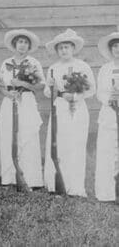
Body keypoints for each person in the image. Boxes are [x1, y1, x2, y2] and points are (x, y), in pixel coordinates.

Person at [44, 29, 95, 197]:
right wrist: (50, 86)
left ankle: (75, 187)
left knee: (76, 144)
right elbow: (46, 93)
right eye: (60, 48)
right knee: (59, 143)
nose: (64, 51)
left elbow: (91, 89)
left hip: (78, 107)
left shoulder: (82, 66)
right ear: (57, 51)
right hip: (59, 107)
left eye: (67, 47)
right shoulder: (53, 68)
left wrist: (74, 96)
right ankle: (56, 185)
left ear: (73, 48)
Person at [0, 29, 44, 189]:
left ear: (29, 46)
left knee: (28, 135)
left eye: (25, 42)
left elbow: (40, 85)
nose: (22, 45)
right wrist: (7, 93)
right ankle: (10, 178)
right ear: (14, 44)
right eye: (20, 42)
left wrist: (23, 84)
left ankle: (31, 178)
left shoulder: (33, 63)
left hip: (26, 100)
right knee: (9, 136)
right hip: (9, 100)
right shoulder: (6, 63)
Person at [95, 32, 119, 202]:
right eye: (115, 47)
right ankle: (107, 192)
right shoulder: (105, 68)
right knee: (107, 151)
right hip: (109, 113)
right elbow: (99, 92)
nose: (118, 50)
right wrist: (109, 99)